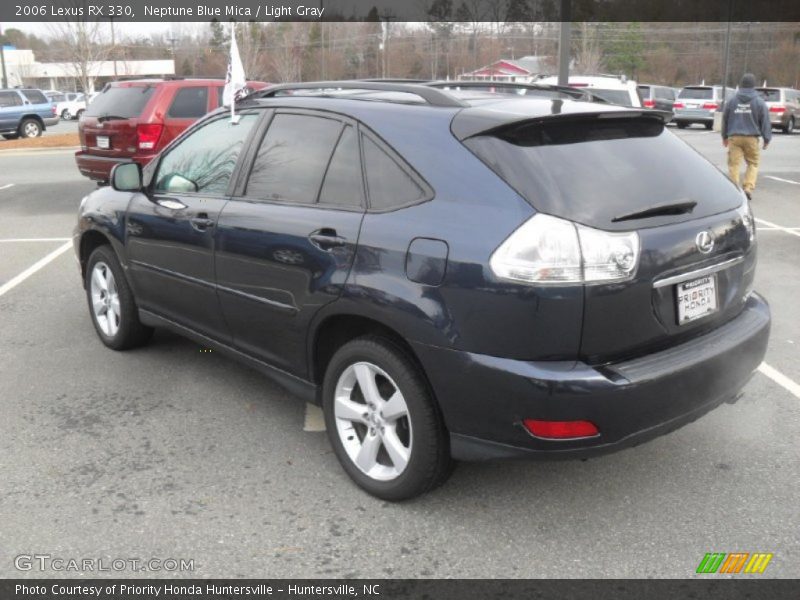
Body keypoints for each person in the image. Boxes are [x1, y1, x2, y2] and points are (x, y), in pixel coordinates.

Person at [721, 73, 772, 200]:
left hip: (734, 137)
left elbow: (725, 119)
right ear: (753, 85)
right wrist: (767, 138)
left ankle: (734, 189)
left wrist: (724, 136)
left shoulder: (732, 101)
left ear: (741, 84)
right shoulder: (759, 102)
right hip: (751, 138)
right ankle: (748, 187)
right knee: (753, 163)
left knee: (734, 164)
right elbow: (765, 121)